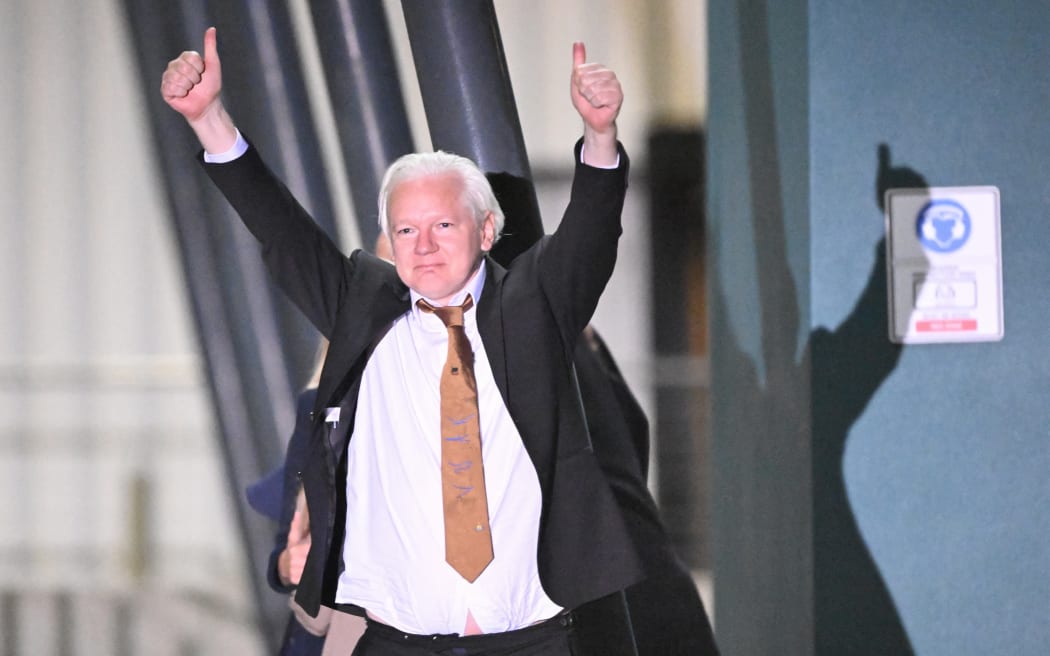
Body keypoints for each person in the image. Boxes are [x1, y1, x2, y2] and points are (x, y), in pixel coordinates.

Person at [162, 27, 639, 654]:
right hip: (398, 640)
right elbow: (281, 229)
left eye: (443, 224)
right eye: (406, 229)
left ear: (488, 229)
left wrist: (600, 137)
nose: (424, 245)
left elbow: (591, 235)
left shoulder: (532, 303)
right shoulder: (362, 308)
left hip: (534, 638)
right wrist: (210, 119)